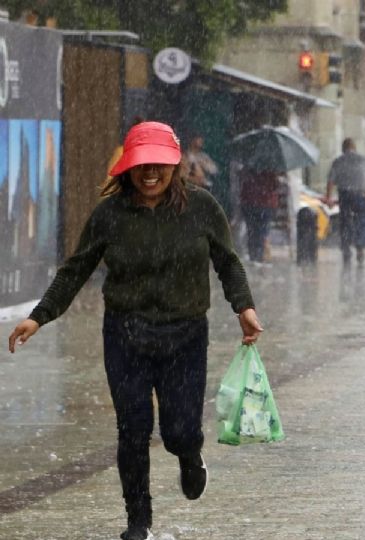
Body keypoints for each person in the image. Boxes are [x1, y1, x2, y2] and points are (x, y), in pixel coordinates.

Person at [7, 121, 263, 540]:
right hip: (125, 335)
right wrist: (39, 315)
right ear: (127, 167)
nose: (150, 172)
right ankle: (138, 521)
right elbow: (76, 269)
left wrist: (244, 308)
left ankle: (190, 455)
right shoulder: (109, 215)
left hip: (185, 334)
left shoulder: (201, 207)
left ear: (174, 165)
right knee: (133, 428)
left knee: (179, 430)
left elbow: (228, 262)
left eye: (159, 164)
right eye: (141, 164)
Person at [325, 138, 365, 264]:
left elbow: (331, 181)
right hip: (360, 195)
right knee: (361, 221)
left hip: (345, 195)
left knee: (345, 221)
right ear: (354, 147)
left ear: (343, 149)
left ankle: (346, 248)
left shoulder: (338, 161)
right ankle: (360, 248)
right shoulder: (363, 160)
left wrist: (328, 198)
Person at [239, 167, 281, 264]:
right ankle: (259, 255)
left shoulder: (248, 167)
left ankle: (253, 255)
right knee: (262, 231)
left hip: (249, 203)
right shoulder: (271, 168)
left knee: (252, 230)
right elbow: (275, 186)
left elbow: (242, 184)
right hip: (265, 204)